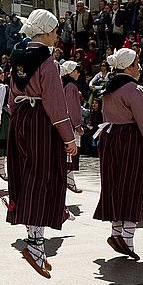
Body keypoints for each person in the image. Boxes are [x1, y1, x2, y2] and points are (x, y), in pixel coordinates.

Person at [4, 10, 78, 278]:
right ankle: (35, 244)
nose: (57, 36)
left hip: (21, 119)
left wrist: (17, 121)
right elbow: (56, 104)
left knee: (25, 175)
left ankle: (36, 244)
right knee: (44, 176)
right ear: (46, 32)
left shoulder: (18, 58)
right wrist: (68, 137)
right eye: (55, 31)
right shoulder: (48, 62)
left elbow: (12, 97)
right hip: (41, 121)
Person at [92, 48, 143, 260]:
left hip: (110, 138)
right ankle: (127, 237)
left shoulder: (108, 88)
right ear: (129, 67)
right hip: (131, 140)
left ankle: (116, 232)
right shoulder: (134, 89)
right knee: (135, 185)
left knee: (115, 185)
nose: (140, 67)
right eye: (137, 63)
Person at [60, 60, 85, 194]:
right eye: (77, 71)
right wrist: (77, 124)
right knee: (71, 153)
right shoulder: (71, 87)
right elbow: (72, 107)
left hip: (63, 123)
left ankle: (70, 180)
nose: (78, 74)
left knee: (67, 154)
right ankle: (69, 181)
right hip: (70, 124)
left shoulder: (62, 85)